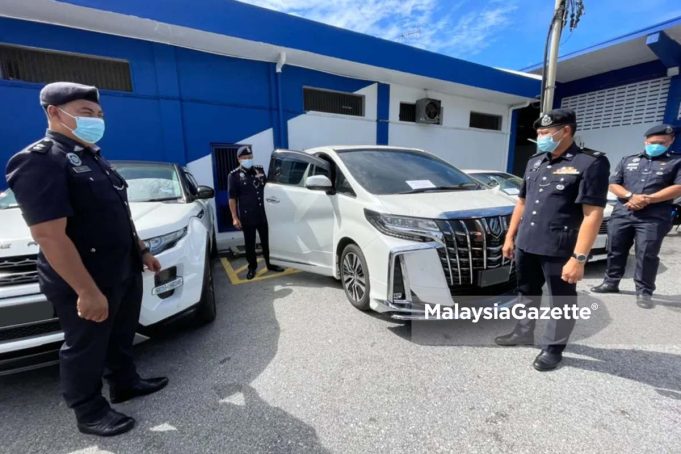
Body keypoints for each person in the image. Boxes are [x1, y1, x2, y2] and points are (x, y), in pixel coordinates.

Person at [5, 82, 168, 437]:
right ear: (53, 112)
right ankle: (89, 411)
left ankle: (124, 383)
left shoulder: (94, 157)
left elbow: (119, 214)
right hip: (86, 276)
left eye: (97, 114)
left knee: (121, 333)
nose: (95, 119)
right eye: (85, 113)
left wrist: (141, 251)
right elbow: (48, 234)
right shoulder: (40, 160)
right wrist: (86, 290)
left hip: (121, 266)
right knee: (86, 345)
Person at [495, 108, 610, 371]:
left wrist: (579, 258)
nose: (540, 137)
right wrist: (510, 237)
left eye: (546, 133)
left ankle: (554, 348)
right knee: (527, 292)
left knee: (562, 300)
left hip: (560, 247)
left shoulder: (590, 162)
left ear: (566, 130)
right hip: (527, 242)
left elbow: (592, 214)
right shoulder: (535, 161)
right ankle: (523, 332)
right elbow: (521, 202)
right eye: (539, 132)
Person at [591, 124, 681, 308]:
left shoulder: (676, 162)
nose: (656, 145)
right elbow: (614, 184)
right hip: (624, 213)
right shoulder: (628, 160)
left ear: (670, 141)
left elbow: (678, 187)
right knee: (615, 249)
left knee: (646, 254)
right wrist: (631, 196)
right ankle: (611, 282)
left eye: (661, 142)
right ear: (645, 141)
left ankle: (644, 291)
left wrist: (648, 199)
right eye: (652, 142)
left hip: (653, 217)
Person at [228, 146, 284, 279]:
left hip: (263, 214)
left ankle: (270, 264)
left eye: (250, 157)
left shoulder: (259, 169)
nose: (248, 160)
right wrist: (234, 217)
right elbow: (232, 198)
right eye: (245, 158)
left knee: (267, 241)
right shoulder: (234, 175)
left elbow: (268, 188)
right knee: (250, 244)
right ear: (239, 159)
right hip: (248, 216)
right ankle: (252, 268)